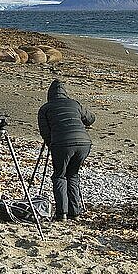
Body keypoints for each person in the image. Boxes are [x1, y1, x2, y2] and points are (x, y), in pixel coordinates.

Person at [38, 79, 95, 221]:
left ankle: (61, 213)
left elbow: (45, 132)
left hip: (61, 144)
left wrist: (52, 146)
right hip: (84, 143)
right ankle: (74, 212)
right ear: (65, 93)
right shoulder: (74, 104)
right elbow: (90, 118)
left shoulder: (45, 108)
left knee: (59, 175)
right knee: (73, 174)